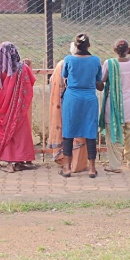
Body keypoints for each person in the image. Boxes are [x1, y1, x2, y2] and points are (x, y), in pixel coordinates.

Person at [59, 33, 103, 178]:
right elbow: (99, 82)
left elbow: (64, 75)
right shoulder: (95, 60)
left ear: (75, 45)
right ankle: (91, 168)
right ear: (89, 45)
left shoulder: (68, 59)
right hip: (89, 99)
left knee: (68, 131)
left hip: (72, 98)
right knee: (90, 132)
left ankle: (66, 167)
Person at [0, 42, 36, 173]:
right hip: (19, 110)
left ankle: (10, 164)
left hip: (3, 108)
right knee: (20, 132)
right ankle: (20, 161)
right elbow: (30, 83)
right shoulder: (23, 68)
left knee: (6, 132)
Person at [99, 39, 130, 173]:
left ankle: (115, 165)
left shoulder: (109, 63)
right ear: (128, 50)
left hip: (114, 105)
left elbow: (103, 79)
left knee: (113, 134)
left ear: (114, 51)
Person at [47, 43, 88, 173]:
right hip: (84, 101)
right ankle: (78, 164)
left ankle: (67, 163)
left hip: (66, 102)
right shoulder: (88, 63)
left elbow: (55, 83)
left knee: (68, 133)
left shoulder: (63, 64)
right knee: (80, 131)